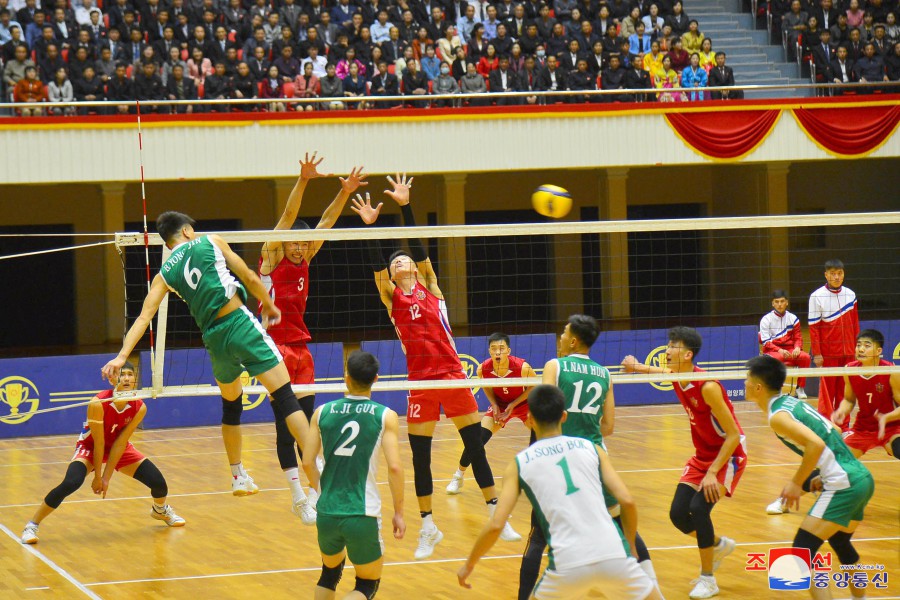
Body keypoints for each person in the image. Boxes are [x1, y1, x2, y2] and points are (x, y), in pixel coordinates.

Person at [101, 212, 320, 522]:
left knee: (231, 406)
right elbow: (249, 276)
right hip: (238, 322)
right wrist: (268, 305)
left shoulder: (164, 273)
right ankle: (319, 479)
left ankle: (237, 474)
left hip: (213, 339)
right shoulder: (210, 240)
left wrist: (121, 356)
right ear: (188, 231)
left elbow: (143, 317)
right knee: (285, 397)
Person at [350, 179, 505, 561]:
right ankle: (428, 526)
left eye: (403, 260)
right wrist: (369, 227)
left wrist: (405, 207)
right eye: (393, 262)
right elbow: (376, 265)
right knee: (420, 457)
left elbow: (420, 250)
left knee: (475, 446)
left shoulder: (431, 286)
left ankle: (494, 512)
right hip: (420, 382)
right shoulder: (392, 296)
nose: (398, 262)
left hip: (452, 376)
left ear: (416, 269)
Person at [457, 385, 662, 600]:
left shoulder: (519, 464)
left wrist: (469, 564)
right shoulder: (591, 448)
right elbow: (627, 501)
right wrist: (629, 544)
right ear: (564, 416)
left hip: (568, 564)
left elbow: (497, 524)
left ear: (529, 419)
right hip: (614, 555)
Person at [520, 315, 659, 600]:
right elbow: (608, 427)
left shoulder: (554, 366)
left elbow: (543, 410)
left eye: (563, 332)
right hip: (595, 458)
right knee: (620, 523)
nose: (559, 337)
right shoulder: (604, 374)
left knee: (538, 536)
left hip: (558, 459)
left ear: (573, 340)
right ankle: (653, 588)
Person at [259, 153, 366, 518]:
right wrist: (304, 180)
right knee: (283, 424)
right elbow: (289, 218)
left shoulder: (307, 254)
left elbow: (327, 221)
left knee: (307, 425)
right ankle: (298, 497)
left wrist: (344, 192)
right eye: (296, 242)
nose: (300, 246)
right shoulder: (272, 255)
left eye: (304, 243)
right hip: (273, 349)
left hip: (302, 349)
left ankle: (318, 491)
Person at [622, 326, 745, 600]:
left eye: (673, 346)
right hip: (702, 455)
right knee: (678, 515)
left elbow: (734, 434)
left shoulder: (709, 386)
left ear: (688, 354)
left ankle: (708, 579)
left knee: (699, 509)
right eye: (668, 345)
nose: (667, 350)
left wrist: (713, 472)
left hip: (728, 455)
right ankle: (718, 545)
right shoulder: (678, 374)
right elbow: (661, 372)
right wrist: (636, 367)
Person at [745, 355, 874, 600]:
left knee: (801, 552)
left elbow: (815, 444)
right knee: (840, 542)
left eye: (746, 379)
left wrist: (796, 483)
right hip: (860, 477)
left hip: (844, 484)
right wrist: (825, 472)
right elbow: (834, 431)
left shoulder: (777, 416)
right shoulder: (791, 402)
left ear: (758, 387)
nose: (744, 384)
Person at [21, 363, 185, 544]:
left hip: (118, 447)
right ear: (112, 378)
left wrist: (106, 479)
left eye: (131, 374)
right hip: (90, 447)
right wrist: (97, 476)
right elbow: (99, 442)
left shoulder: (139, 406)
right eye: (122, 375)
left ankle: (160, 510)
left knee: (159, 483)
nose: (127, 378)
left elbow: (121, 443)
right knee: (71, 483)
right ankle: (32, 525)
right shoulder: (98, 403)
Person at [304, 351, 405, 600]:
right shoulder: (386, 415)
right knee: (366, 584)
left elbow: (307, 462)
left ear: (346, 378)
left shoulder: (321, 412)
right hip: (363, 512)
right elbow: (395, 468)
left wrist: (322, 491)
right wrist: (399, 513)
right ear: (376, 379)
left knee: (329, 574)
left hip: (326, 510)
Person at [446, 333, 535, 501]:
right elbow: (486, 386)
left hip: (524, 405)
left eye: (501, 349)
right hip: (500, 405)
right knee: (477, 440)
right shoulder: (483, 369)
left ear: (508, 350)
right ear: (489, 351)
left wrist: (513, 405)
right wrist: (494, 405)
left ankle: (540, 477)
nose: (497, 353)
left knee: (542, 435)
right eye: (494, 349)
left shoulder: (523, 367)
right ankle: (458, 476)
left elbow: (534, 386)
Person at [832, 329, 900, 460]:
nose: (861, 349)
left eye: (867, 346)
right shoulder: (850, 370)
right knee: (836, 462)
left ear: (878, 351)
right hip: (862, 428)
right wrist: (841, 411)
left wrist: (886, 417)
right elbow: (849, 400)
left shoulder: (891, 371)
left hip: (890, 428)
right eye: (858, 345)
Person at [809, 259, 859, 422]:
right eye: (833, 274)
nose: (837, 277)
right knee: (827, 393)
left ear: (843, 274)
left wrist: (857, 348)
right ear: (826, 275)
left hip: (849, 352)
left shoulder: (851, 295)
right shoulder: (816, 296)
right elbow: (814, 328)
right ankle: (825, 425)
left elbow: (855, 324)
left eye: (840, 273)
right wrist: (817, 353)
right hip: (828, 353)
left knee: (845, 391)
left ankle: (844, 426)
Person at [759, 289, 812, 399]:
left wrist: (797, 347)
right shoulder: (766, 319)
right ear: (772, 303)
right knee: (777, 359)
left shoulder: (793, 318)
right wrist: (779, 350)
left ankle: (800, 388)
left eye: (782, 301)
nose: (779, 304)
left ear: (787, 302)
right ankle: (777, 389)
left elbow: (798, 337)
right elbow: (765, 342)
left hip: (790, 349)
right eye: (777, 302)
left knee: (805, 357)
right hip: (773, 351)